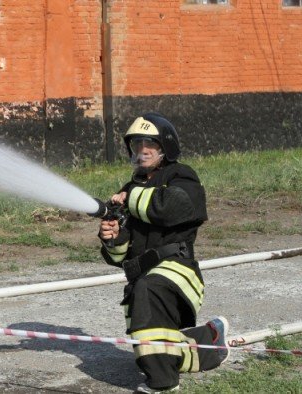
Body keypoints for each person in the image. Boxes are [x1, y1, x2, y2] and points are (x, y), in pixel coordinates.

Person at [96, 113, 229, 393]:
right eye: (136, 145)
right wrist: (113, 239)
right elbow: (120, 257)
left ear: (165, 148)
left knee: (147, 290)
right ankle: (211, 339)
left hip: (179, 272)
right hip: (144, 279)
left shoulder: (181, 175)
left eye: (150, 144)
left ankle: (163, 385)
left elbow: (174, 206)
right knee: (157, 349)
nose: (141, 151)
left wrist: (130, 199)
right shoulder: (131, 187)